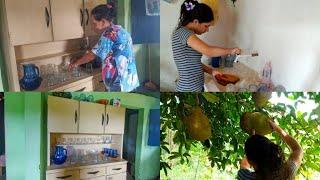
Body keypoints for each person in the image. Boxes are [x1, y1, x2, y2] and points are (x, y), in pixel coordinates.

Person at [172, 0, 242, 92]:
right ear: (196, 22)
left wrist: (211, 71)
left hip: (196, 88)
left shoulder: (185, 34)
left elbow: (193, 63)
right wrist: (231, 50)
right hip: (188, 89)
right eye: (206, 26)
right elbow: (209, 51)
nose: (207, 30)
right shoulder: (183, 33)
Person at [69, 3, 139, 92]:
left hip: (118, 82)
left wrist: (75, 63)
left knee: (116, 104)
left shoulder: (109, 34)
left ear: (102, 21)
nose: (93, 26)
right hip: (129, 78)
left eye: (94, 23)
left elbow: (92, 55)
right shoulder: (120, 30)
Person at [237, 120, 303, 180]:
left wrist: (252, 141)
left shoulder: (246, 177)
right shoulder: (288, 172)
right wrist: (277, 128)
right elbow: (298, 149)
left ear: (251, 161)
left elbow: (244, 165)